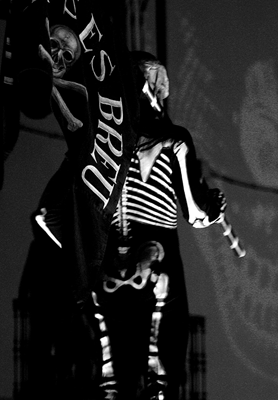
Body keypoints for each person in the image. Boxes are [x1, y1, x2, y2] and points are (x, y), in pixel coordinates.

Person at [92, 51, 227, 400]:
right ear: (155, 88)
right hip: (157, 252)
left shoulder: (100, 138)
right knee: (161, 369)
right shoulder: (174, 139)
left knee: (110, 373)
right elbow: (194, 214)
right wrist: (213, 210)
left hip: (107, 256)